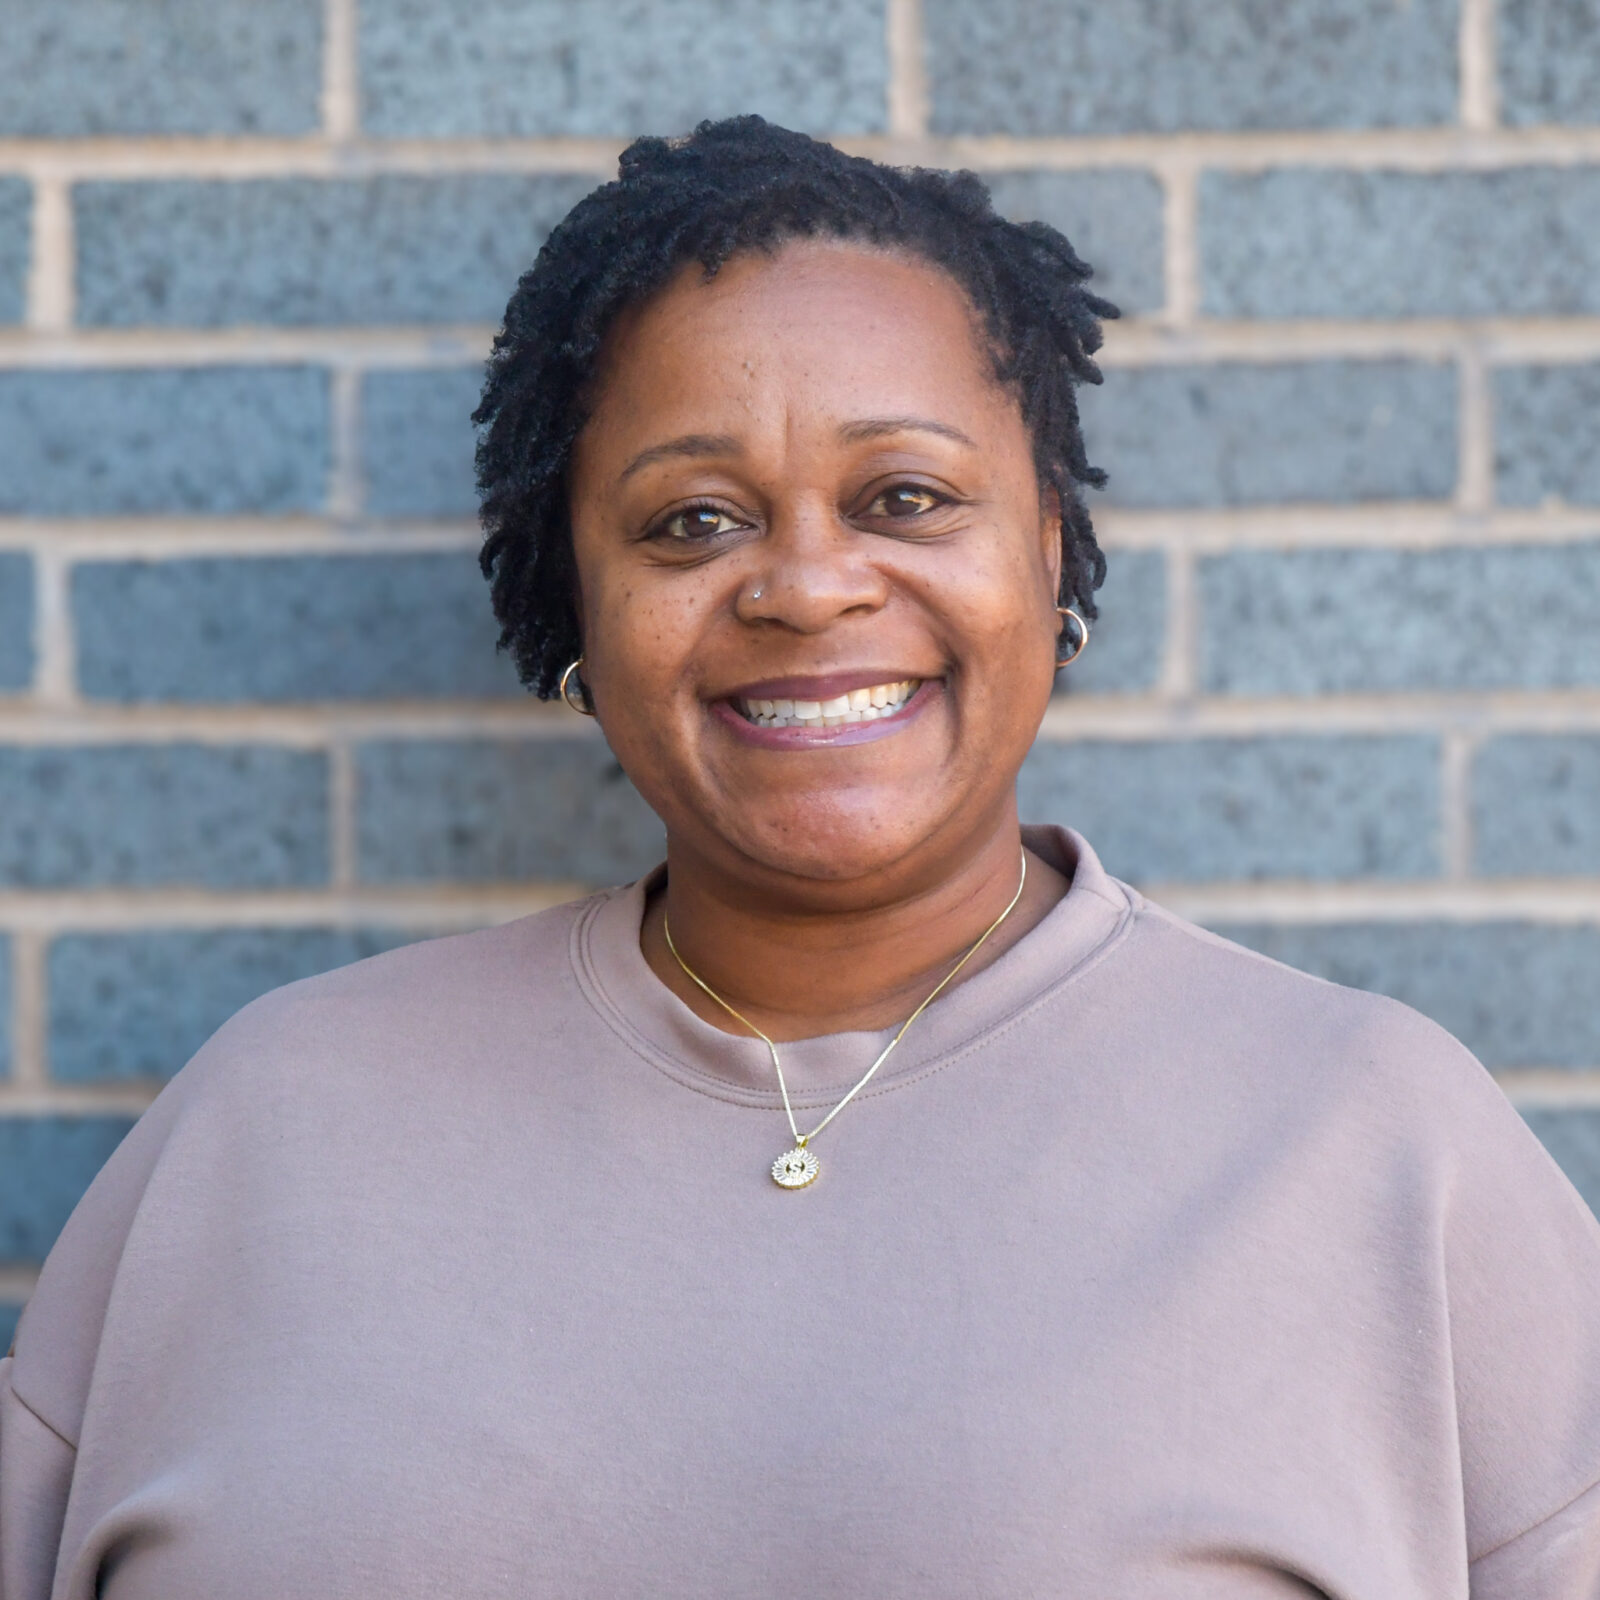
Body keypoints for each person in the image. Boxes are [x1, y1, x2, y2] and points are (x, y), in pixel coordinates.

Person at [3, 117, 1598, 1600]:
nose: (809, 586)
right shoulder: (269, 1126)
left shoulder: (1374, 1144)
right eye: (693, 522)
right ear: (576, 603)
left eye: (905, 497)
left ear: (1048, 549)